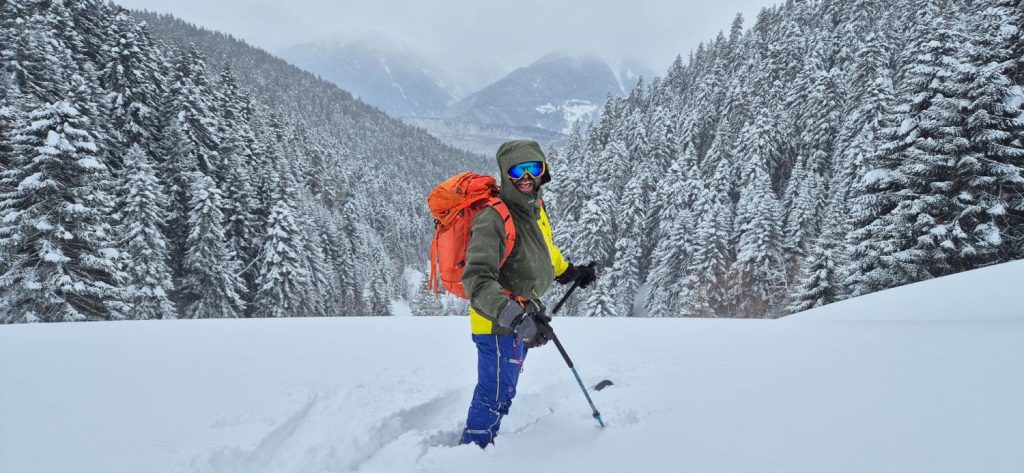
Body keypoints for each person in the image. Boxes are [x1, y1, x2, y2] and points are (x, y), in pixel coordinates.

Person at [459, 139, 597, 448]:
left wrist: (570, 272)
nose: (526, 177)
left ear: (543, 172)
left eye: (533, 168)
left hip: (524, 316)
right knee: (495, 390)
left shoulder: (535, 207)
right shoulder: (493, 217)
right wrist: (517, 319)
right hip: (497, 323)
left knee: (505, 387)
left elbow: (545, 249)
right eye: (517, 169)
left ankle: (480, 445)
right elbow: (478, 281)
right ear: (506, 174)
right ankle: (472, 451)